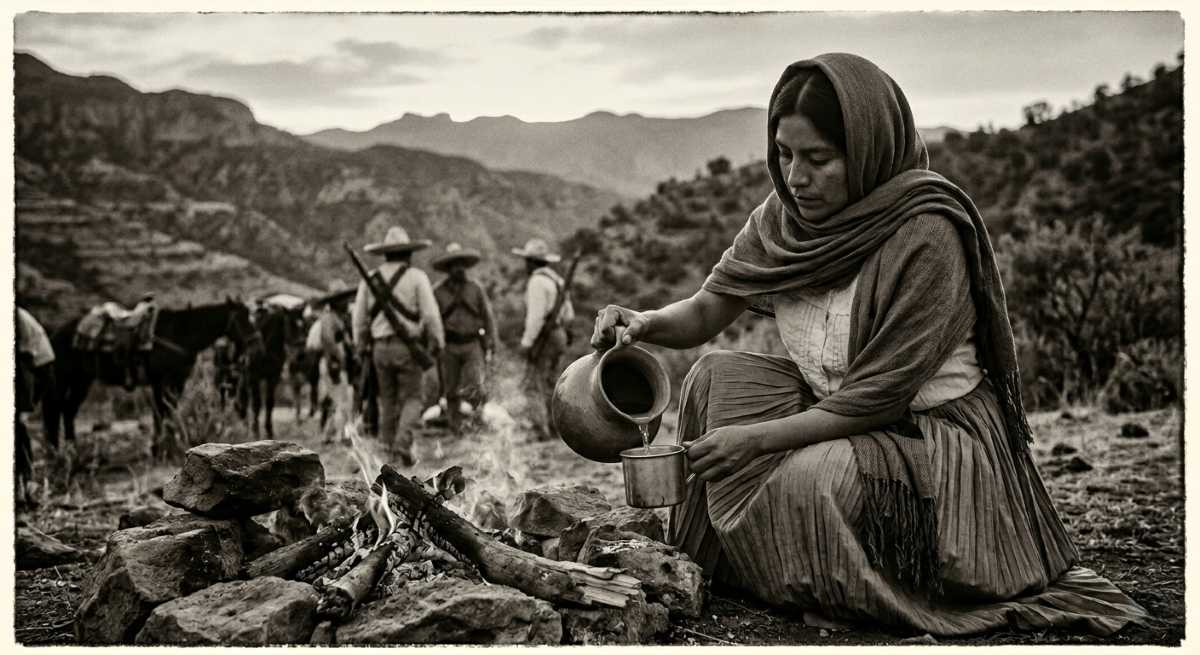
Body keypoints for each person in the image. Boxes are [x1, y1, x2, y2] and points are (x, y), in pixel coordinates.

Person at [589, 53, 1145, 637]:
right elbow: (706, 310)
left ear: (870, 148)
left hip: (925, 434)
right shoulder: (785, 219)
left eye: (819, 159)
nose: (796, 177)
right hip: (828, 408)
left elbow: (874, 402)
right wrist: (643, 322)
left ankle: (839, 575)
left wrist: (752, 440)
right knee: (712, 377)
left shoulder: (926, 234)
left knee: (812, 479)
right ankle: (774, 563)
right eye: (784, 154)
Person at [351, 226, 444, 465]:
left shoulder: (370, 280)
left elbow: (359, 320)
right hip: (407, 347)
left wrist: (361, 346)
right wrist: (437, 341)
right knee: (413, 398)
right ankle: (402, 445)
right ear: (408, 253)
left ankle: (385, 446)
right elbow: (431, 316)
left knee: (388, 399)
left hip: (379, 348)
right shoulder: (416, 277)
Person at [432, 242, 499, 432]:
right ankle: (455, 424)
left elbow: (488, 316)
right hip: (449, 345)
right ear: (447, 268)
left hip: (472, 344)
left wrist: (492, 341)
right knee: (450, 388)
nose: (458, 268)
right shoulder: (437, 291)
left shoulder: (475, 288)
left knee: (476, 385)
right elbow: (431, 319)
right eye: (453, 265)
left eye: (460, 264)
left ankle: (478, 419)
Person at [513, 238, 575, 438]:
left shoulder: (537, 282)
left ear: (530, 262)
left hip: (545, 337)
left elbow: (535, 317)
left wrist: (526, 343)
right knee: (553, 383)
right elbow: (569, 314)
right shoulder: (557, 281)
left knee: (533, 384)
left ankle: (541, 428)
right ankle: (556, 426)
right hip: (559, 334)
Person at [16, 307, 56, 508]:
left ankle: (26, 486)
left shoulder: (15, 317)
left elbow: (25, 364)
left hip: (34, 370)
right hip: (25, 370)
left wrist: (24, 406)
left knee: (17, 429)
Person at [307, 292, 352, 437]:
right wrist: (337, 358)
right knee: (340, 399)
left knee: (335, 398)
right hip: (332, 362)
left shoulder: (335, 318)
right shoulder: (329, 318)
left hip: (334, 361)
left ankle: (329, 433)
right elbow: (328, 340)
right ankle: (338, 434)